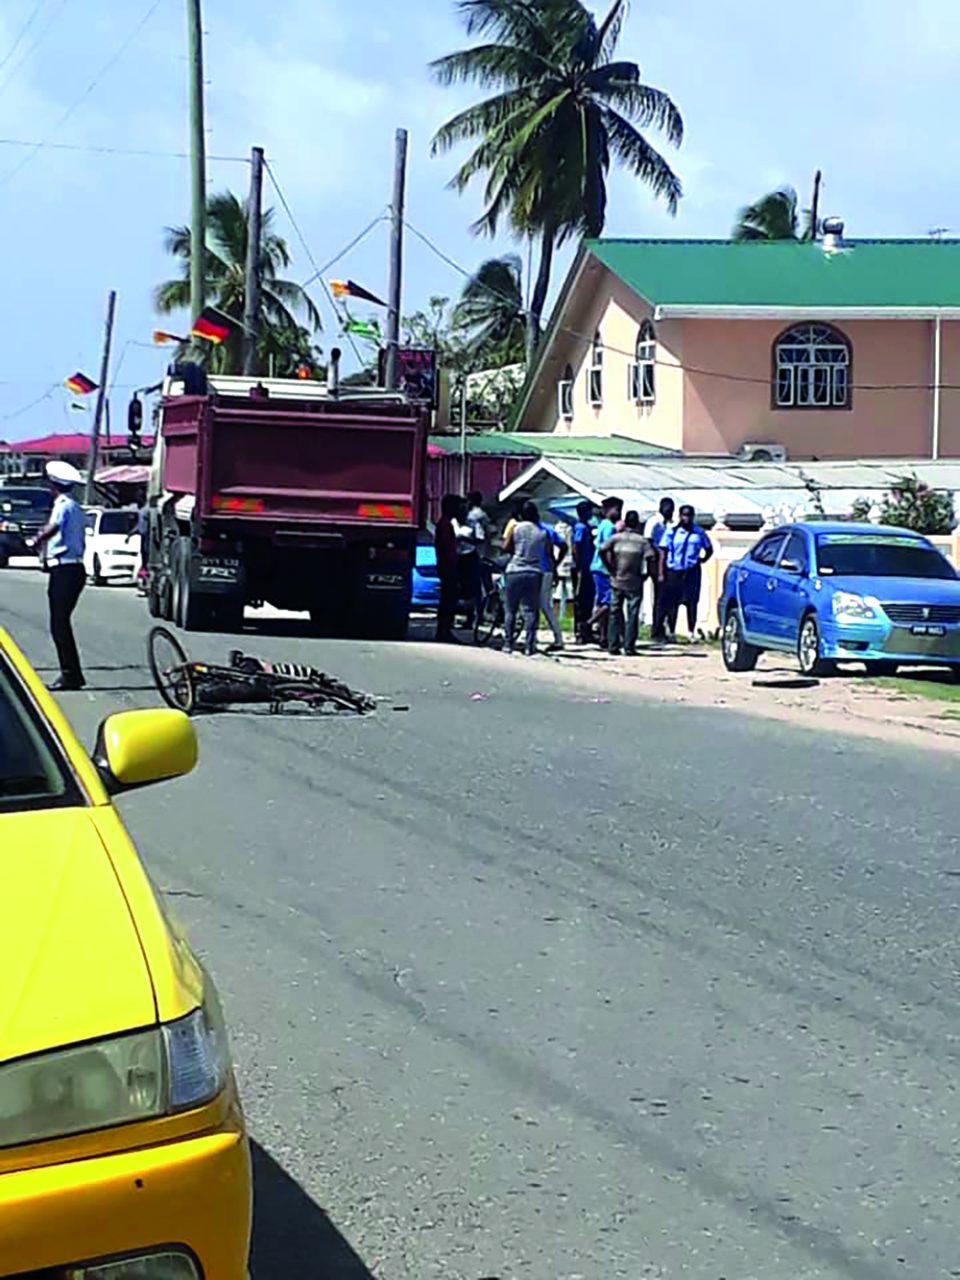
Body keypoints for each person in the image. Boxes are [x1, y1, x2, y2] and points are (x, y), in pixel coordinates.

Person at [30, 460, 87, 690]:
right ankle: (73, 674)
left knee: (59, 624)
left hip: (65, 569)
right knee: (61, 623)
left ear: (53, 485)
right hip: (70, 569)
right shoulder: (74, 505)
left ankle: (70, 675)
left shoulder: (63, 505)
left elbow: (53, 527)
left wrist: (36, 539)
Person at [659, 504, 714, 640]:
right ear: (679, 516)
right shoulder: (672, 532)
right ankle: (671, 631)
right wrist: (661, 572)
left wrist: (701, 560)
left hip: (691, 571)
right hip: (674, 570)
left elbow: (709, 548)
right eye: (684, 515)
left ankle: (691, 631)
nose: (686, 518)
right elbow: (663, 551)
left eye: (689, 515)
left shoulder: (699, 532)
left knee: (692, 601)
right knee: (673, 602)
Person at [600, 510, 650, 656]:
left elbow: (602, 550)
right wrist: (647, 575)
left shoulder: (616, 538)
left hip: (617, 579)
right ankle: (629, 646)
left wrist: (610, 567)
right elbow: (651, 557)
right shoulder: (641, 541)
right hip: (634, 580)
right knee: (632, 613)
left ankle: (613, 645)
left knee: (614, 612)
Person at [502, 500, 547, 656]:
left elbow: (505, 547)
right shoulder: (542, 532)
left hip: (515, 569)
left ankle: (508, 643)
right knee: (530, 610)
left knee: (510, 609)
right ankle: (530, 645)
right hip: (534, 571)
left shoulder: (516, 528)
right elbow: (547, 553)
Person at [588, 497, 623, 649]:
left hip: (597, 567)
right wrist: (612, 568)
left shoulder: (602, 524)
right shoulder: (609, 526)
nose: (618, 512)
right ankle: (588, 624)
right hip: (603, 568)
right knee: (608, 603)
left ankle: (603, 636)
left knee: (602, 601)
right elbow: (607, 549)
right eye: (616, 509)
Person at [645, 497, 675, 640]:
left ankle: (662, 627)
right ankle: (656, 629)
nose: (670, 512)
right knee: (660, 596)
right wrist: (658, 554)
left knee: (665, 597)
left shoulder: (668, 525)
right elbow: (648, 541)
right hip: (655, 561)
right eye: (668, 509)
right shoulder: (654, 522)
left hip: (666, 561)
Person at [536, 517, 567, 652]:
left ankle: (558, 638)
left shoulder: (524, 527)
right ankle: (554, 637)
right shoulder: (547, 529)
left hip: (539, 569)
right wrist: (556, 563)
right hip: (546, 569)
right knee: (542, 605)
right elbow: (563, 545)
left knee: (541, 605)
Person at [434, 493, 461, 642]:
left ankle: (444, 629)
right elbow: (446, 549)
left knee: (448, 598)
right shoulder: (445, 525)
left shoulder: (445, 523)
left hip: (447, 566)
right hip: (447, 567)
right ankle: (444, 630)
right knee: (448, 599)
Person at [571, 500, 596, 643]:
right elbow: (576, 546)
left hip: (588, 567)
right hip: (582, 568)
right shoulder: (580, 527)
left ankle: (586, 630)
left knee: (587, 600)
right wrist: (578, 565)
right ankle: (580, 632)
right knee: (580, 600)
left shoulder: (587, 527)